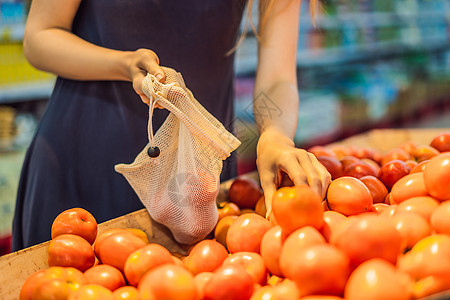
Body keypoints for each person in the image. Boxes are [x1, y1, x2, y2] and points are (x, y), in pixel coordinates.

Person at [12, 0, 330, 251]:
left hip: (197, 174)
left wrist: (276, 136)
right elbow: (40, 37)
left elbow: (278, 78)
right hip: (85, 157)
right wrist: (123, 64)